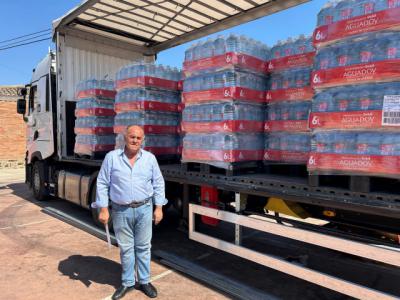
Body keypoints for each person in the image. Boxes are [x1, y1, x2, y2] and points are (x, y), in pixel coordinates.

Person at [95, 125, 167, 299]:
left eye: (138, 138)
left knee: (143, 247)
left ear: (143, 140)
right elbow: (102, 183)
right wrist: (103, 209)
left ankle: (144, 281)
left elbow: (158, 183)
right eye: (132, 137)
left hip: (144, 209)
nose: (135, 140)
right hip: (121, 210)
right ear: (125, 138)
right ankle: (127, 282)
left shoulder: (150, 159)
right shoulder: (112, 158)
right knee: (126, 248)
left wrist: (159, 208)